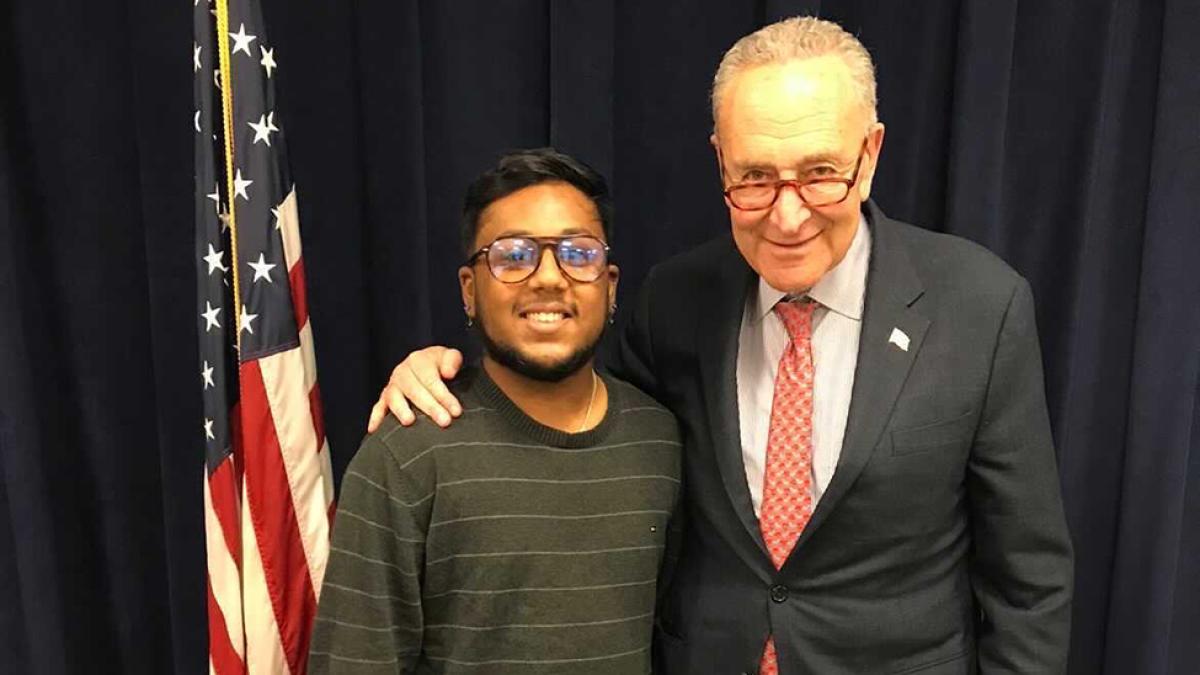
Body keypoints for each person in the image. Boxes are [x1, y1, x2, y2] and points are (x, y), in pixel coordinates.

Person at [369, 17, 1073, 674]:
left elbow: (1029, 582)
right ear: (720, 163)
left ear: (872, 152)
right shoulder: (673, 301)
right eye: (756, 178)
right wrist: (447, 373)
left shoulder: (980, 306)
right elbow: (574, 419)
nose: (788, 215)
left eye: (821, 173)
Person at [310, 149, 681, 673]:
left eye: (578, 254)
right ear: (470, 290)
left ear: (611, 284)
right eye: (513, 255)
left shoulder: (659, 440)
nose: (549, 278)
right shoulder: (408, 454)